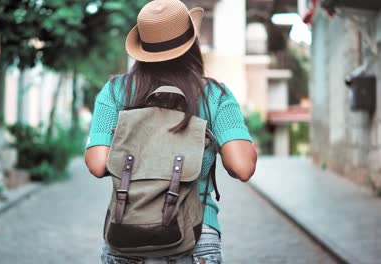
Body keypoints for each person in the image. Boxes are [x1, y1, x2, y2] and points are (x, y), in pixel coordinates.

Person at [85, 0, 257, 263]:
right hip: (197, 234)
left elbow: (97, 163)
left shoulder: (115, 92)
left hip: (128, 232)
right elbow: (243, 167)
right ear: (192, 45)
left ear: (143, 49)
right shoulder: (214, 95)